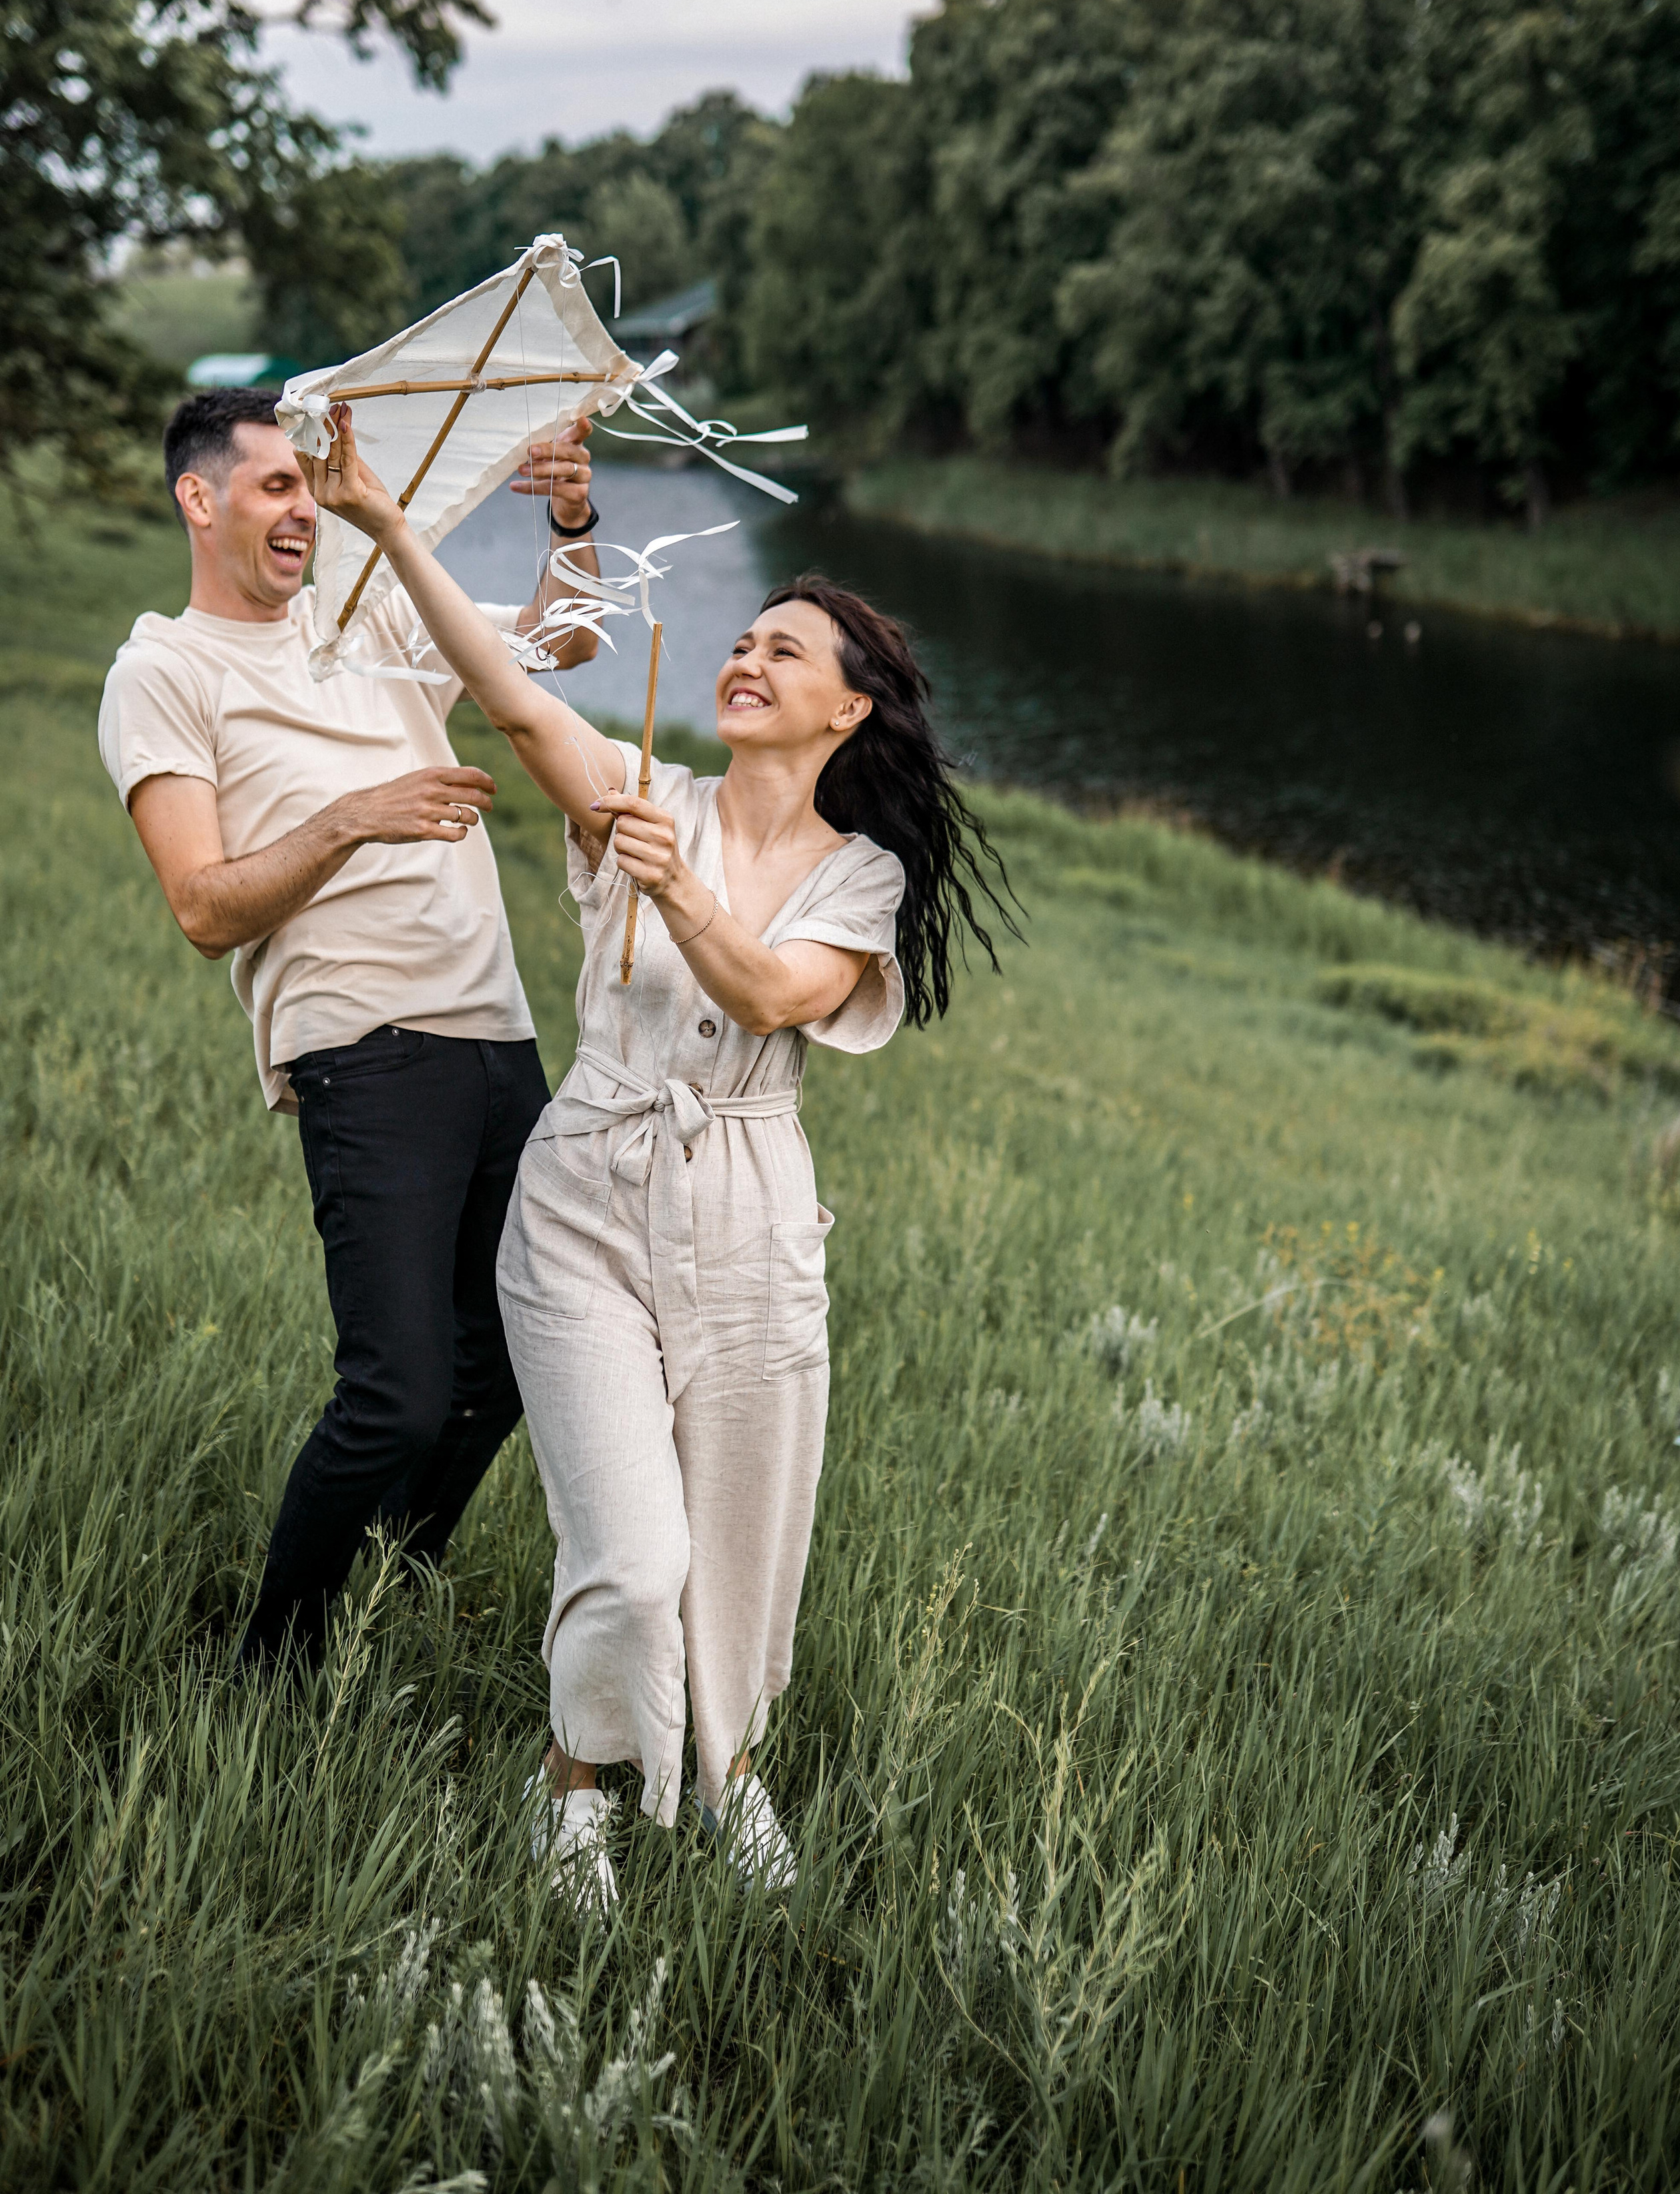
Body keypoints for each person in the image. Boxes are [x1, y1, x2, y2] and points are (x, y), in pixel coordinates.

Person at [301, 403, 1015, 1903]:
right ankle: (574, 1785)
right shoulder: (641, 794)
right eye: (742, 641)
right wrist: (388, 525)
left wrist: (680, 892)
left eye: (785, 653)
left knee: (737, 1543)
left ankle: (731, 1770)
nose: (746, 659)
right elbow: (511, 699)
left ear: (849, 713)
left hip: (750, 1215)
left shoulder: (860, 876)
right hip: (582, 1202)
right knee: (631, 1554)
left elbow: (773, 997)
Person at [98, 385, 608, 1669]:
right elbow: (202, 908)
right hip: (361, 1045)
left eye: (309, 487)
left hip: (498, 1036)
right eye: (276, 485)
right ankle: (270, 1665)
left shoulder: (371, 608)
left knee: (505, 1366)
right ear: (199, 498)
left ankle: (374, 1595)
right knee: (398, 1395)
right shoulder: (162, 671)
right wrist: (350, 819)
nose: (302, 511)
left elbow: (562, 647)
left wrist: (572, 523)